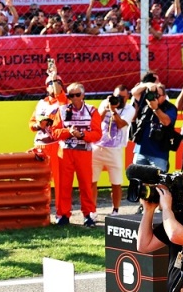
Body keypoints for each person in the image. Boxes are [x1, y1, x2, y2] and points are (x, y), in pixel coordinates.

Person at [51, 82, 103, 227]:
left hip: (84, 152)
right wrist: (68, 132)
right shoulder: (62, 110)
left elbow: (97, 134)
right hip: (65, 152)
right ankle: (63, 215)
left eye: (77, 95)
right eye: (71, 95)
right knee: (63, 185)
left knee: (86, 184)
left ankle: (88, 215)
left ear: (83, 95)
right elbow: (54, 132)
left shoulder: (92, 110)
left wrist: (82, 135)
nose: (74, 98)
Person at [91, 85, 134, 217]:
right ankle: (92, 210)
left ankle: (115, 210)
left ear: (128, 97)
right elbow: (96, 122)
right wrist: (106, 109)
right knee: (92, 181)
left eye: (122, 97)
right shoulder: (105, 103)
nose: (119, 99)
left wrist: (113, 111)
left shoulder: (130, 109)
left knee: (116, 182)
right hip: (97, 147)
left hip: (115, 150)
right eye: (117, 96)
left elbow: (120, 124)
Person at [29, 68, 67, 215]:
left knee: (59, 181)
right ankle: (40, 211)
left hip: (55, 145)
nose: (53, 85)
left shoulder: (63, 102)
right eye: (50, 83)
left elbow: (60, 95)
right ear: (46, 87)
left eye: (57, 83)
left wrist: (54, 77)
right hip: (40, 145)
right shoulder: (41, 103)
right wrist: (38, 125)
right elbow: (31, 123)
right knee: (40, 181)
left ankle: (60, 213)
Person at [130, 76, 179, 171]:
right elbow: (134, 92)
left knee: (159, 179)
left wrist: (155, 108)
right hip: (140, 151)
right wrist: (147, 84)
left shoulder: (170, 107)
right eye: (153, 94)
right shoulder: (146, 102)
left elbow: (166, 122)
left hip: (159, 154)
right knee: (137, 178)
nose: (154, 97)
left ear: (164, 96)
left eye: (157, 95)